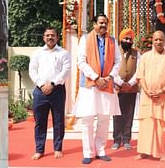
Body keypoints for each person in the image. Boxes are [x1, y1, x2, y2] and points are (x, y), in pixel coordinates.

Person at [75, 14, 121, 164]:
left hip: (106, 84)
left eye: (105, 23)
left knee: (104, 118)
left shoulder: (113, 41)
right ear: (94, 24)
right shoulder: (85, 39)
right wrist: (96, 77)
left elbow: (118, 62)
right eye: (100, 23)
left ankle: (100, 150)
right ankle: (88, 152)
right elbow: (81, 61)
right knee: (88, 119)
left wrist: (108, 78)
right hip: (90, 85)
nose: (103, 26)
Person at [135, 30, 165, 161]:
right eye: (156, 40)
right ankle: (144, 151)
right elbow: (140, 76)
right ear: (152, 41)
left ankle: (161, 152)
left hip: (163, 96)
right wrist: (147, 90)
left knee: (161, 126)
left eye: (161, 40)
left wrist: (162, 91)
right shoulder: (145, 57)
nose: (158, 42)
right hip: (147, 96)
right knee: (146, 124)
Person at [28, 27, 71, 160]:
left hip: (57, 90)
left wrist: (52, 84)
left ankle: (58, 148)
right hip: (40, 91)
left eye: (53, 35)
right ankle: (39, 149)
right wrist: (42, 85)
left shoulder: (64, 53)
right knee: (40, 121)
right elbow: (32, 71)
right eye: (47, 35)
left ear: (57, 38)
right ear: (44, 37)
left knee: (58, 121)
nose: (50, 38)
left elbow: (66, 71)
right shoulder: (37, 53)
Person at [112, 29, 140, 151]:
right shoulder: (114, 52)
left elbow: (140, 69)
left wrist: (131, 83)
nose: (128, 41)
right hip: (118, 88)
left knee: (129, 114)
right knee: (117, 115)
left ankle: (127, 139)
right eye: (125, 38)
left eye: (130, 39)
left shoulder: (137, 53)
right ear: (121, 39)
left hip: (131, 88)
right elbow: (111, 68)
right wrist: (120, 82)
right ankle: (117, 140)